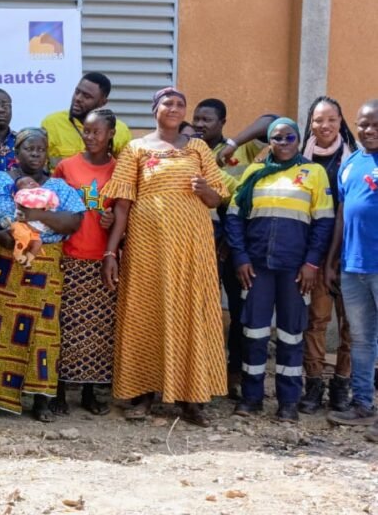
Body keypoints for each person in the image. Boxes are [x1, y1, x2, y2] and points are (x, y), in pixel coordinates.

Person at [101, 87, 228, 427]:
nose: (174, 108)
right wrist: (111, 251)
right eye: (167, 103)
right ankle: (142, 394)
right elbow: (123, 204)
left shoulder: (198, 148)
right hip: (148, 247)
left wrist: (206, 191)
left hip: (192, 247)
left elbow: (217, 199)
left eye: (179, 104)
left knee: (191, 311)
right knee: (145, 311)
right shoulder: (136, 149)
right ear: (154, 108)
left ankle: (191, 399)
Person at [224, 118, 333, 422]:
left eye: (289, 138)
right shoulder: (254, 172)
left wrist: (312, 263)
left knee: (291, 335)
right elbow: (234, 218)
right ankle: (251, 397)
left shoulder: (313, 172)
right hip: (256, 268)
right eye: (277, 138)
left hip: (295, 270)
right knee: (253, 333)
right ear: (269, 142)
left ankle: (288, 401)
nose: (283, 143)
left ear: (299, 140)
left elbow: (324, 222)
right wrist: (241, 258)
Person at [0, 128, 84, 422]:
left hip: (44, 268)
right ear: (17, 152)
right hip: (4, 268)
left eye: (41, 150)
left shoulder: (59, 188)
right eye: (29, 149)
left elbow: (74, 222)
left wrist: (37, 216)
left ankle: (41, 401)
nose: (35, 154)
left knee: (43, 334)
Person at [191, 98, 265, 399]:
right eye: (196, 118)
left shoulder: (241, 149)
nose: (199, 124)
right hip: (202, 242)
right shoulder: (189, 152)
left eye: (206, 119)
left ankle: (234, 373)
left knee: (238, 310)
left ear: (223, 122)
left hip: (236, 244)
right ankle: (203, 374)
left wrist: (234, 143)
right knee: (202, 312)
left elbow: (271, 120)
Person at [52, 108, 118, 415]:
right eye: (86, 132)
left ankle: (91, 393)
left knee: (97, 330)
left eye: (96, 132)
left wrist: (112, 217)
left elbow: (125, 211)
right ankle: (59, 391)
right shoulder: (66, 167)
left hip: (101, 259)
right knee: (64, 327)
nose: (90, 137)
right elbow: (51, 204)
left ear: (110, 135)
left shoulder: (119, 170)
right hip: (69, 257)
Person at [299, 96, 357, 413]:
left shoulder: (354, 160)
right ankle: (313, 387)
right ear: (311, 123)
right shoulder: (301, 160)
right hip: (316, 255)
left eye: (331, 119)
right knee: (317, 320)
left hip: (351, 255)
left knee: (350, 325)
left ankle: (341, 388)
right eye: (319, 120)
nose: (325, 126)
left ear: (340, 121)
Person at [326, 100, 378, 432]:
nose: (368, 130)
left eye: (374, 125)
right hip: (353, 267)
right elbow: (343, 215)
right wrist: (332, 261)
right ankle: (363, 406)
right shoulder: (351, 163)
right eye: (363, 124)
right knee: (360, 339)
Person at [41, 72, 132, 168]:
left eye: (87, 96)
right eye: (77, 92)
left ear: (103, 102)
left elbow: (126, 172)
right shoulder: (51, 124)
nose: (78, 98)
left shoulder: (120, 130)